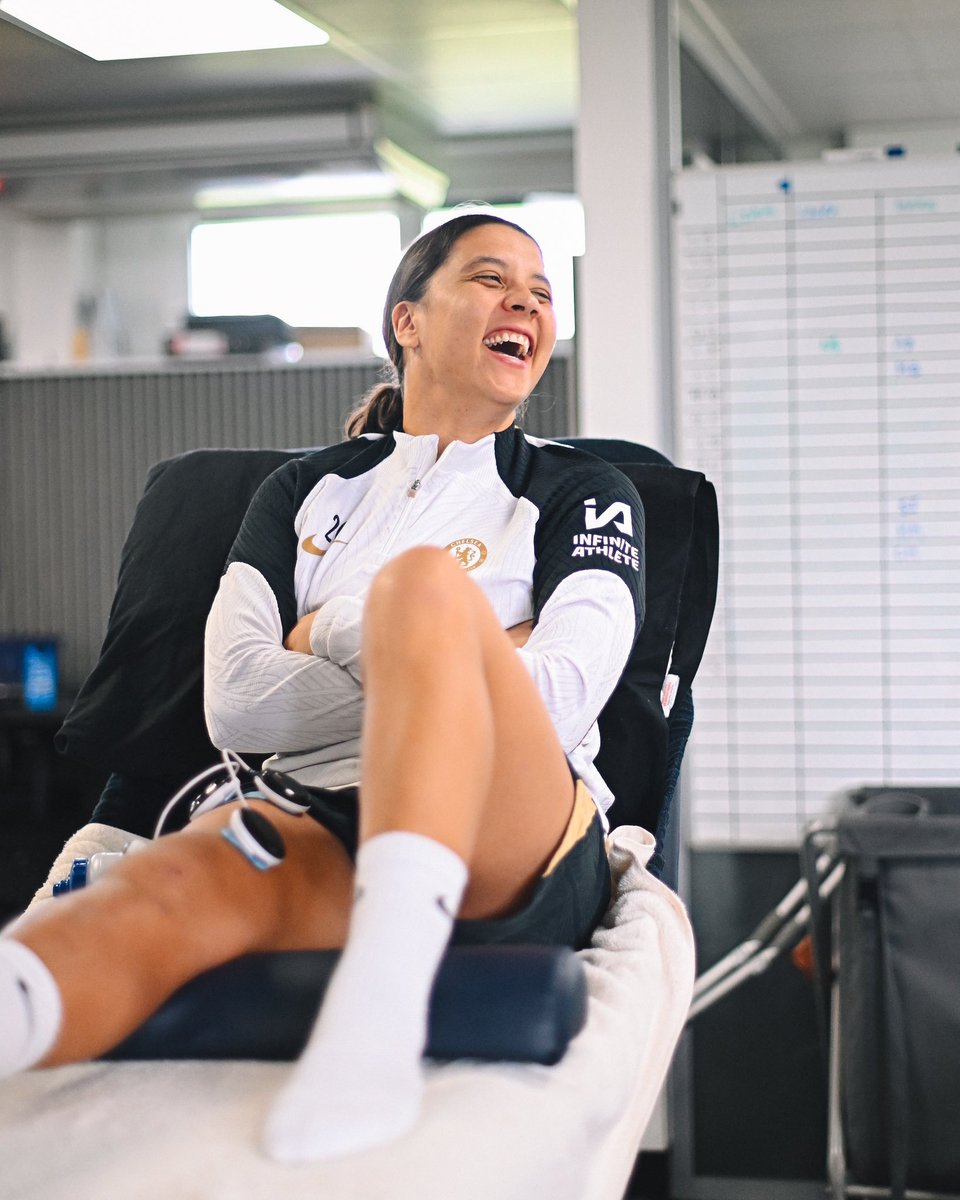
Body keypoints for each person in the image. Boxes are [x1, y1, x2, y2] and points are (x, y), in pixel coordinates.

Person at [0, 212, 645, 1162]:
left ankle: (381, 999)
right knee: (171, 877)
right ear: (409, 322)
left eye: (543, 293)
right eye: (492, 278)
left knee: (421, 587)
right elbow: (239, 703)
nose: (528, 303)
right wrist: (438, 654)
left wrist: (339, 628)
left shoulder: (584, 492)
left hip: (514, 827)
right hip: (319, 813)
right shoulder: (303, 491)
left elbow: (556, 698)